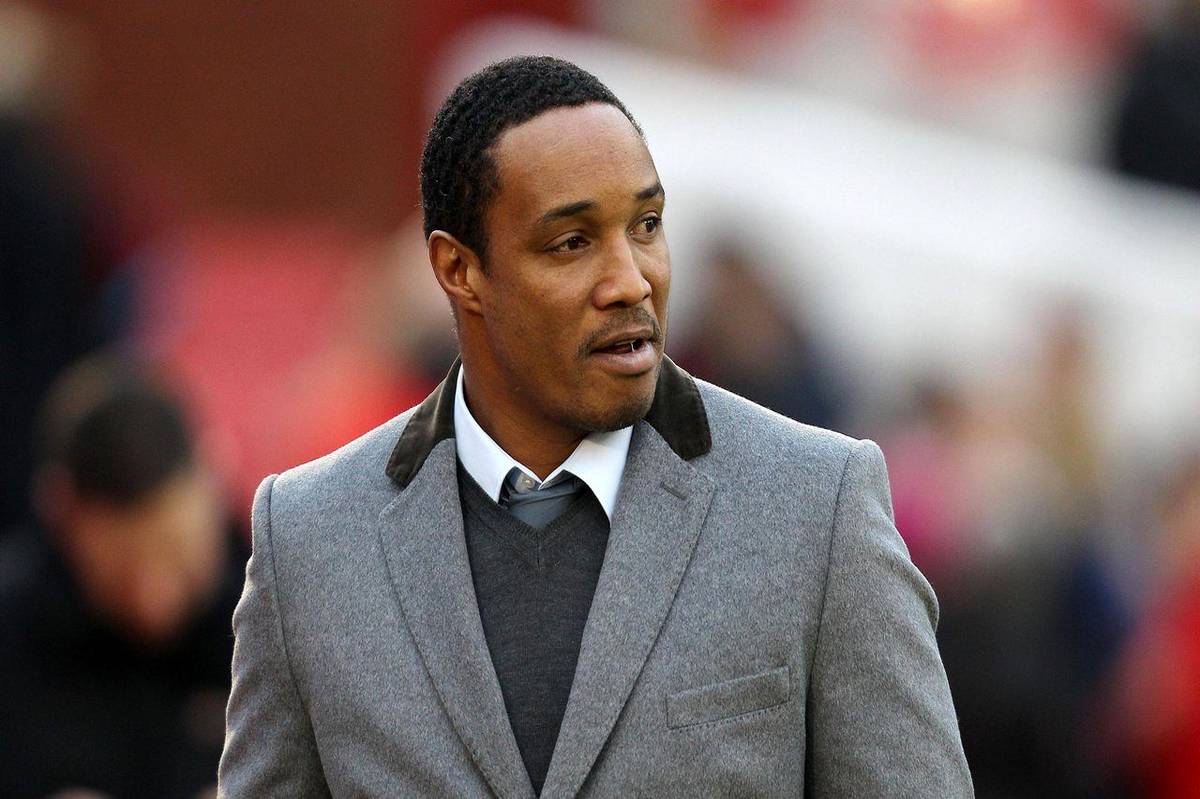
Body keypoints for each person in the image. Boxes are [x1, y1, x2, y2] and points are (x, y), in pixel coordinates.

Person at [219, 56, 972, 797]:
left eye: (646, 225)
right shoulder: (307, 540)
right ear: (458, 271)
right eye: (572, 242)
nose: (631, 280)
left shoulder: (819, 505)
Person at [0, 354, 244, 799]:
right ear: (60, 514)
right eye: (121, 570)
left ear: (213, 476)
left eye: (177, 554)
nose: (155, 599)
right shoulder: (13, 636)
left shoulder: (290, 607)